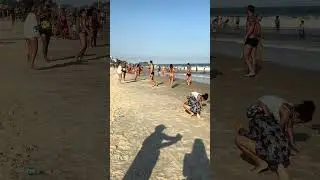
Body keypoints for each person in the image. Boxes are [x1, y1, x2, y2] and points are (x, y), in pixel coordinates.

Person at [235, 95, 315, 179]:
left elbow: (253, 136)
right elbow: (283, 131)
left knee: (239, 140)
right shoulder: (272, 118)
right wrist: (291, 145)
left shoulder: (256, 121)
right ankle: (277, 164)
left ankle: (262, 163)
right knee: (280, 167)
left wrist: (241, 130)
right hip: (284, 154)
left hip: (272, 153)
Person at [243, 5, 261, 77]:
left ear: (248, 10)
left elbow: (252, 27)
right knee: (253, 56)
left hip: (250, 38)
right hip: (255, 39)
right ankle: (253, 70)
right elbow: (258, 29)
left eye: (247, 10)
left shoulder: (250, 17)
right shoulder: (255, 18)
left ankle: (252, 71)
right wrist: (258, 39)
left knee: (246, 56)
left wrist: (246, 36)